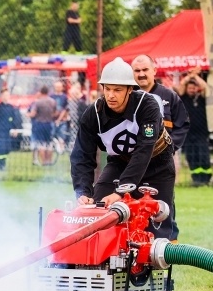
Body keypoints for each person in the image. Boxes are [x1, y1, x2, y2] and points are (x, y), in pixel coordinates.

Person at [70, 57, 175, 239]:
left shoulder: (147, 105)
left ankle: (159, 259)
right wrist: (83, 191)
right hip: (119, 162)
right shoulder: (92, 114)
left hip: (157, 163)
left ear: (129, 90)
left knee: (158, 220)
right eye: (107, 89)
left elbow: (144, 150)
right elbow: (81, 156)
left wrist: (121, 191)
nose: (111, 95)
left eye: (117, 90)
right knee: (97, 208)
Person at [132, 55, 189, 240]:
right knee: (133, 202)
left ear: (154, 71)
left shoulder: (169, 96)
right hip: (133, 161)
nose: (141, 74)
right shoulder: (127, 96)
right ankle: (134, 241)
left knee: (164, 203)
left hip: (161, 162)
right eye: (137, 71)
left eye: (145, 70)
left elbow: (182, 124)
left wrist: (170, 148)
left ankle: (169, 243)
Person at [179, 79, 212, 185]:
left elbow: (206, 87)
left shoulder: (201, 98)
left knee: (203, 156)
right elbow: (181, 86)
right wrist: (190, 76)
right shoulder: (182, 98)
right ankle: (196, 179)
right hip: (188, 133)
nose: (192, 90)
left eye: (194, 88)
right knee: (192, 157)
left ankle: (206, 179)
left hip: (201, 133)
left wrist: (196, 76)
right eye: (190, 88)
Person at [0, 88, 21, 171]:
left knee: (7, 149)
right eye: (4, 95)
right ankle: (1, 164)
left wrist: (15, 129)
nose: (6, 97)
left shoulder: (11, 108)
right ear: (1, 96)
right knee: (1, 148)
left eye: (7, 95)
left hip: (8, 131)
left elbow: (15, 119)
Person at [28, 86, 57, 166]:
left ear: (41, 92)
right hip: (49, 124)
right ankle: (49, 161)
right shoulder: (52, 101)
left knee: (41, 143)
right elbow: (54, 113)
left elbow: (33, 114)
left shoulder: (38, 102)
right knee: (49, 143)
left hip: (40, 124)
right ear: (48, 92)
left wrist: (28, 115)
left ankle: (44, 161)